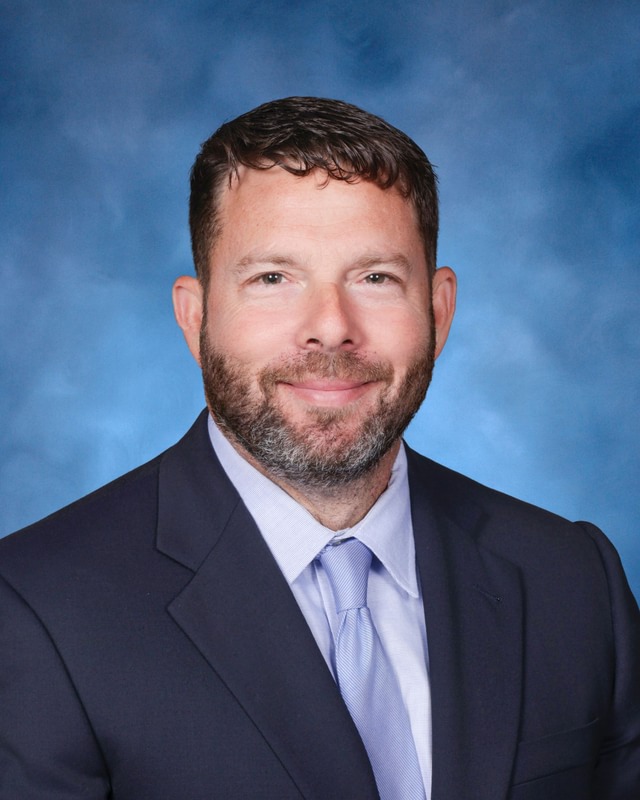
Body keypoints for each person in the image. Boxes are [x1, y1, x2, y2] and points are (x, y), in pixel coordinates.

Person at [0, 97, 638, 800]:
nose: (330, 329)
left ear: (438, 309)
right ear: (195, 316)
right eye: (273, 278)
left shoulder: (573, 581)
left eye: (375, 278)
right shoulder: (36, 609)